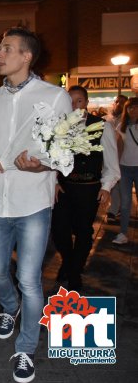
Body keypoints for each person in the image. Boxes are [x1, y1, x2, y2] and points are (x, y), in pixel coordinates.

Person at [0, 27, 72, 383]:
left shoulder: (55, 96)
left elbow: (64, 152)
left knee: (29, 279)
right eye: (0, 49)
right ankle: (9, 308)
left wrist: (43, 164)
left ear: (26, 56)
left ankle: (26, 348)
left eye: (6, 49)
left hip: (33, 201)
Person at [52, 85, 119, 290]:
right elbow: (52, 159)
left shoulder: (102, 126)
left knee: (83, 232)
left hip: (88, 188)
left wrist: (106, 187)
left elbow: (111, 163)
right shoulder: (59, 127)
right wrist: (54, 181)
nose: (74, 105)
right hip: (64, 188)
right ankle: (69, 262)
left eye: (78, 100)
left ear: (86, 103)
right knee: (59, 231)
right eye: (70, 101)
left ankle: (74, 271)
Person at [112, 97, 138, 245]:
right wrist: (116, 168)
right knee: (125, 202)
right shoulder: (122, 126)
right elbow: (119, 148)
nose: (133, 110)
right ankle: (123, 233)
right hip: (125, 169)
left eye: (136, 107)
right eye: (130, 107)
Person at [106, 94, 128, 223]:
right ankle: (113, 210)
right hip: (110, 157)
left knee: (122, 187)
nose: (118, 104)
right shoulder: (107, 119)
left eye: (122, 103)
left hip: (123, 158)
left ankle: (120, 209)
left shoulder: (126, 122)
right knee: (113, 185)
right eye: (117, 101)